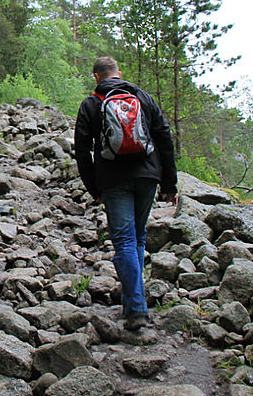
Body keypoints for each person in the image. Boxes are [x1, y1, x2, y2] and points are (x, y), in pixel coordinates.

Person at [74, 56, 178, 331]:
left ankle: (136, 308)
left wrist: (93, 188)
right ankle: (134, 296)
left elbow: (82, 151)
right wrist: (169, 185)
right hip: (148, 176)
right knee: (137, 236)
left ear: (96, 76)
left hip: (113, 180)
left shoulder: (91, 104)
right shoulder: (142, 97)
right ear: (119, 74)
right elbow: (164, 138)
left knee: (124, 240)